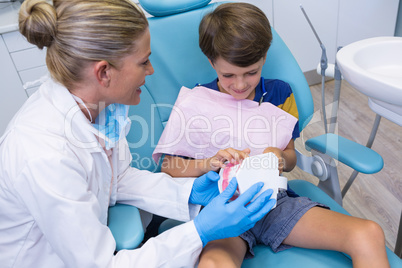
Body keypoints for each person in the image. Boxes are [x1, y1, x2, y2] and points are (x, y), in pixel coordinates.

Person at [0, 0, 277, 267]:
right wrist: (201, 231)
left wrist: (189, 192)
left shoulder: (101, 112)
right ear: (104, 72)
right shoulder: (44, 155)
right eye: (143, 62)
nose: (151, 70)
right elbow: (103, 264)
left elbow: (118, 179)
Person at [154, 3, 390, 268]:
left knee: (368, 234)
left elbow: (290, 159)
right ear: (211, 63)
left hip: (273, 203)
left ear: (264, 57)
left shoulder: (280, 95)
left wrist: (279, 156)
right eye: (228, 75)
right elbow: (168, 166)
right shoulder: (196, 101)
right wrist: (208, 163)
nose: (240, 85)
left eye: (251, 73)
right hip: (223, 209)